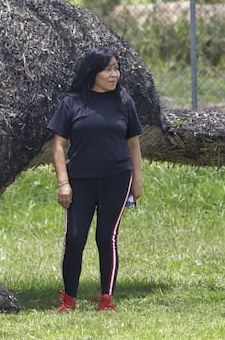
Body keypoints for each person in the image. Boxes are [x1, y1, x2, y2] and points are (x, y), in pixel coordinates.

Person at [48, 47, 143, 312]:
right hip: (80, 180)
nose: (114, 74)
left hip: (117, 178)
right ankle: (69, 299)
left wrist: (137, 181)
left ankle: (106, 298)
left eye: (116, 69)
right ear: (93, 72)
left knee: (106, 237)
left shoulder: (124, 101)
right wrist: (63, 182)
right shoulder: (72, 103)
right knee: (75, 237)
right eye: (108, 69)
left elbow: (133, 144)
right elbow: (58, 145)